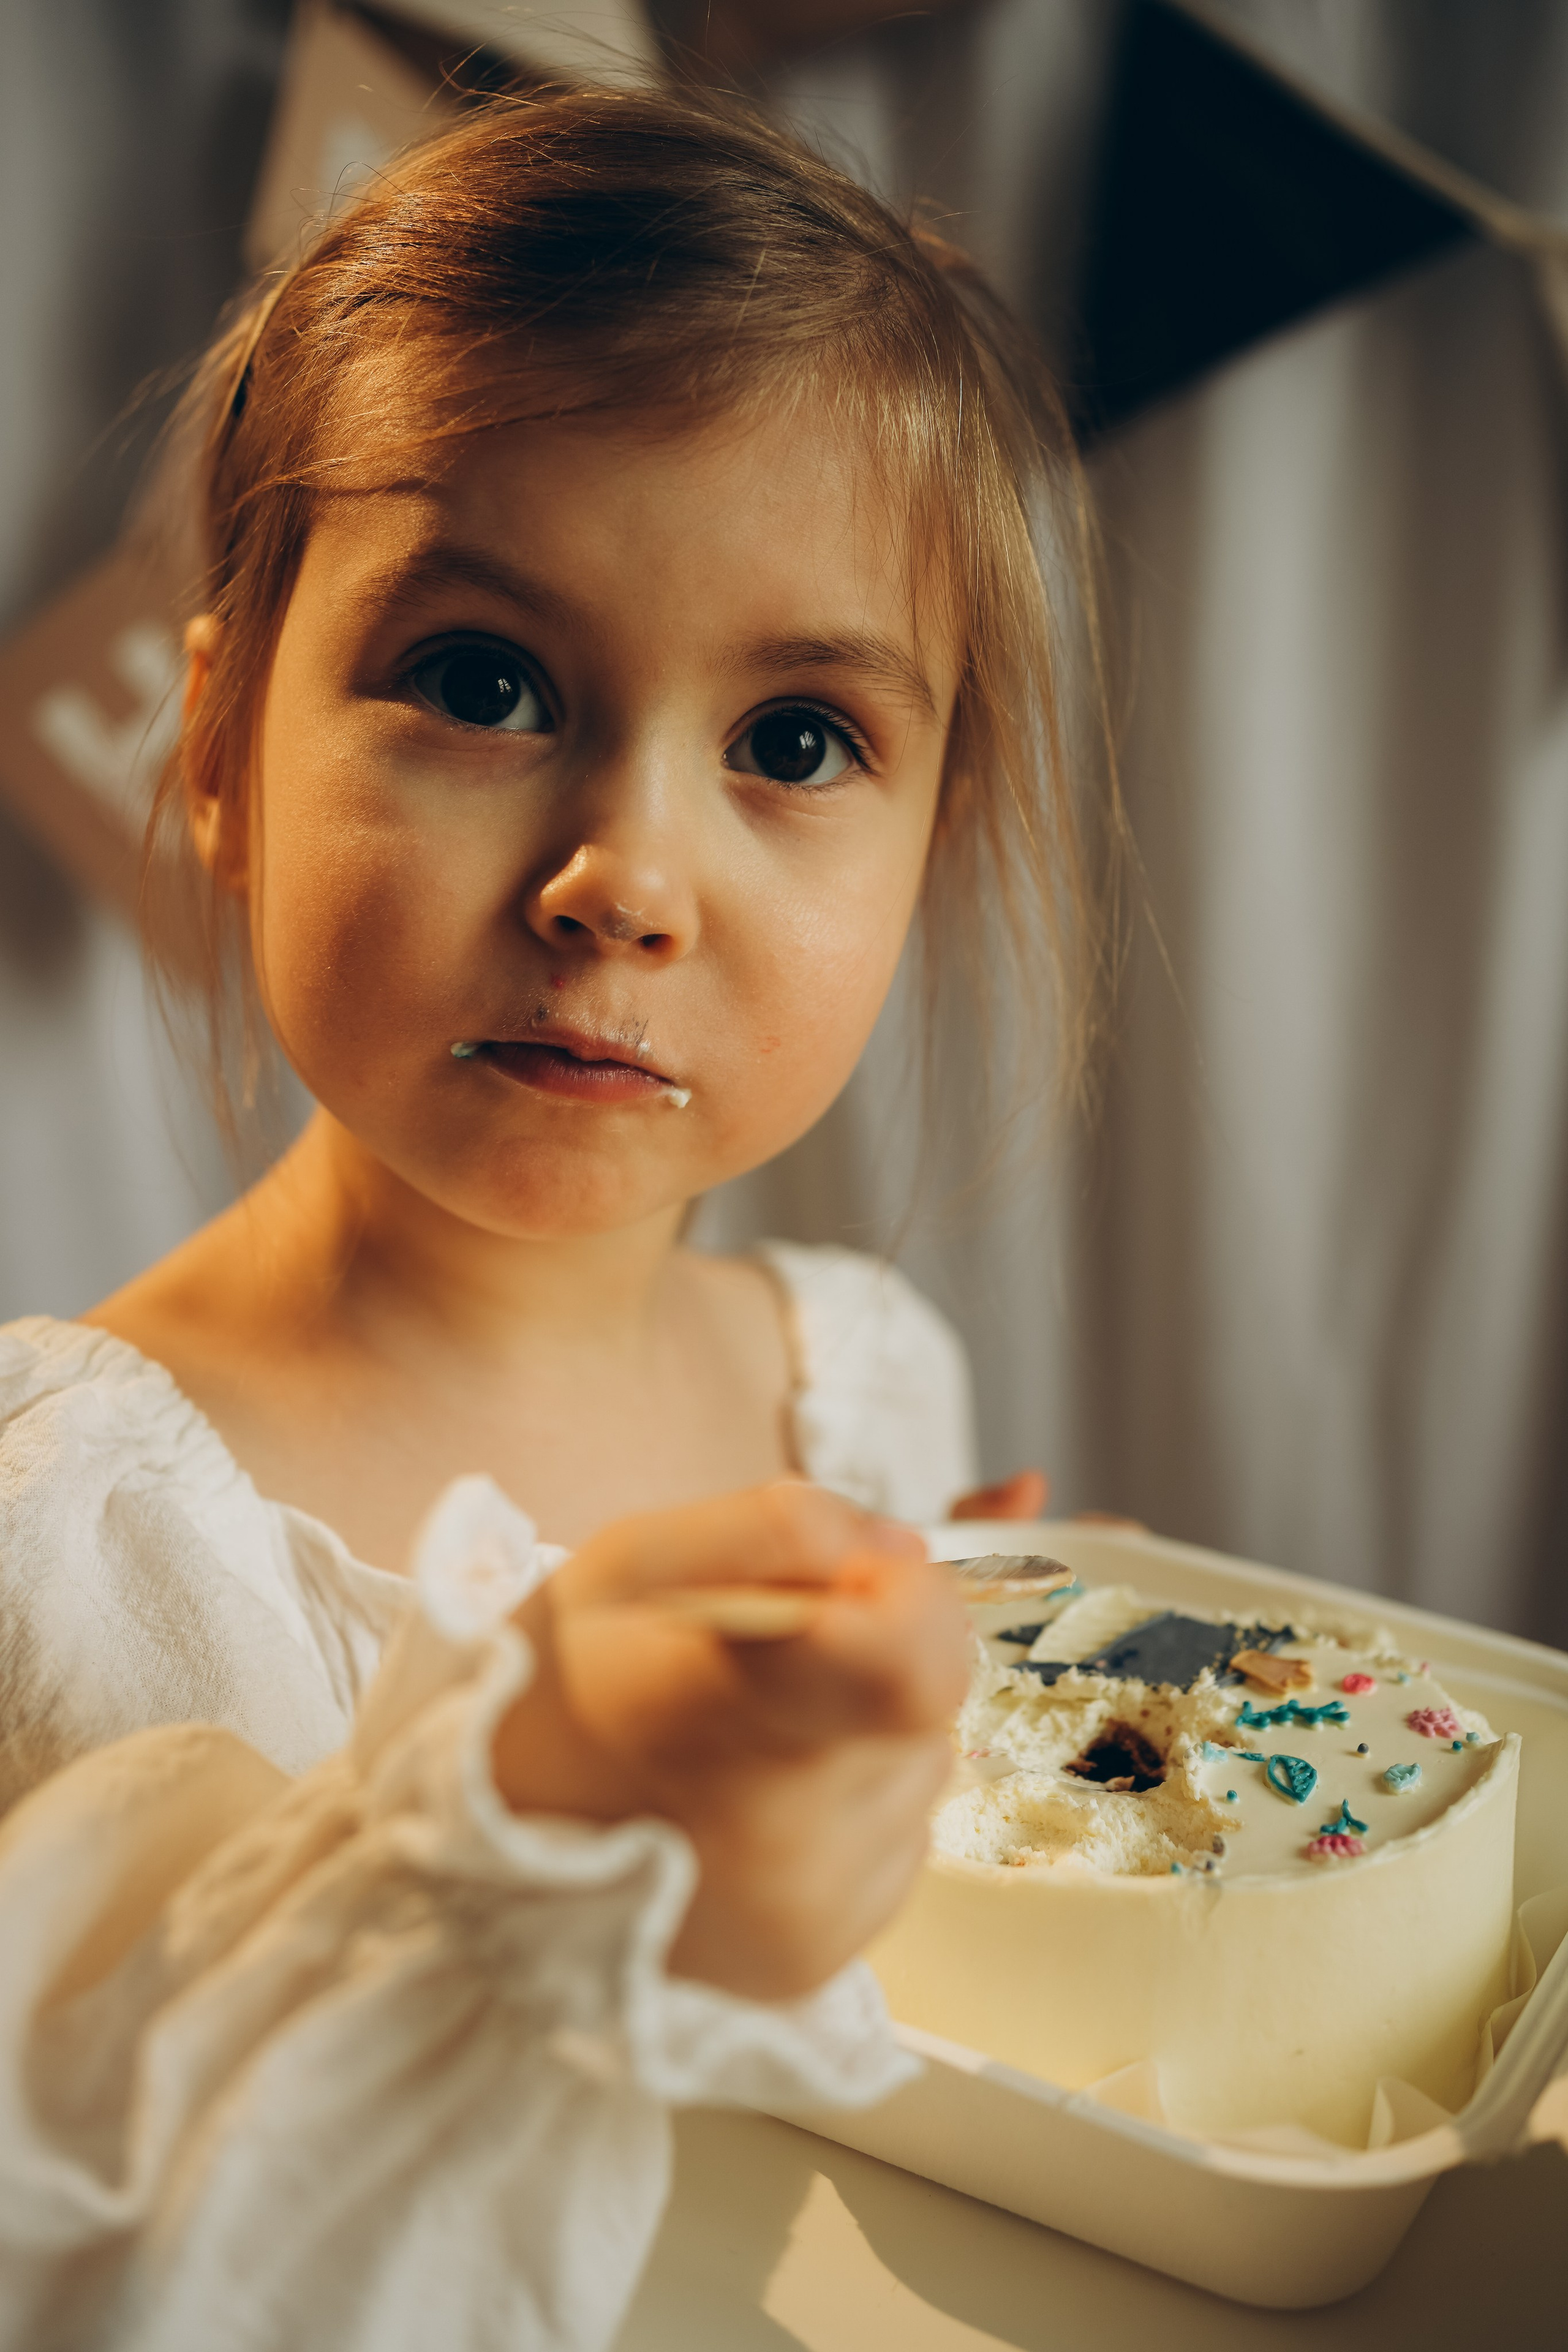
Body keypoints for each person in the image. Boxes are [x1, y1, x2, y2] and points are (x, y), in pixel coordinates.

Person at [0, 84, 1103, 2352]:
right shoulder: (64, 1539)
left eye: (794, 740)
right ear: (215, 754)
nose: (628, 879)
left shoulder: (863, 1389)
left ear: (928, 841)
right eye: (484, 682)